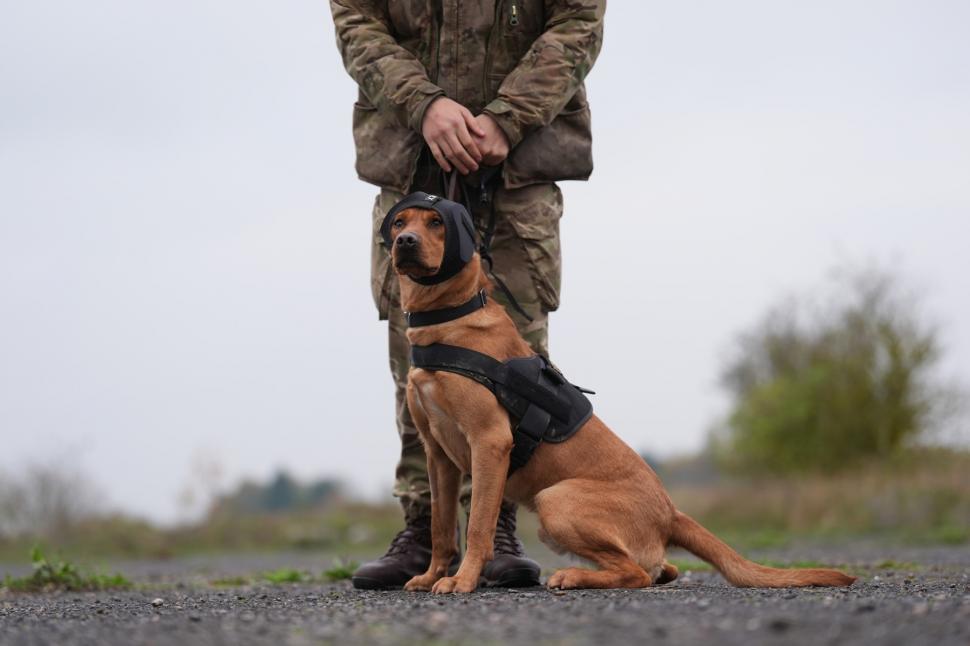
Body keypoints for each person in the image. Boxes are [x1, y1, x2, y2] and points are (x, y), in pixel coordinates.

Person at [329, 0, 605, 590]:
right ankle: (426, 530)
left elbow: (578, 21)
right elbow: (357, 23)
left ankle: (498, 527)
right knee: (418, 361)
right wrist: (424, 106)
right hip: (411, 166)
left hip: (517, 170)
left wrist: (509, 116)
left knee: (516, 362)